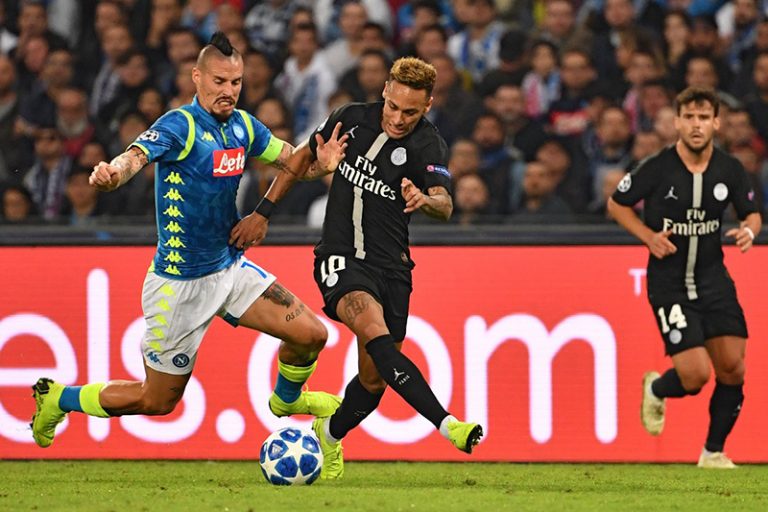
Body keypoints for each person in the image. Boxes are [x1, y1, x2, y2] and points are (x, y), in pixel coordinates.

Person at [30, 32, 347, 448]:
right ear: (197, 77)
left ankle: (286, 402)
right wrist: (112, 174)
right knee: (157, 400)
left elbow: (293, 162)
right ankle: (59, 398)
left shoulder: (244, 126)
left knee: (311, 335)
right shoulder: (180, 125)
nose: (229, 90)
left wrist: (322, 166)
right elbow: (135, 157)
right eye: (219, 81)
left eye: (236, 82)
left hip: (229, 266)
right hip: (179, 284)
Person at [231, 57, 484, 480]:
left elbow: (445, 203)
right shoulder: (349, 118)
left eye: (411, 112)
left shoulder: (428, 145)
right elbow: (300, 160)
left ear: (428, 105)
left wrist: (426, 200)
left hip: (393, 269)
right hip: (341, 258)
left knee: (373, 380)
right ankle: (447, 424)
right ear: (385, 90)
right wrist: (263, 212)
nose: (398, 119)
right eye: (394, 107)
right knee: (375, 335)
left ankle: (328, 435)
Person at [607, 86, 761, 469]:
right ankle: (657, 387)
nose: (696, 125)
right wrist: (648, 237)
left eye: (703, 117)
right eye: (689, 117)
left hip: (714, 279)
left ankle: (713, 453)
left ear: (716, 123)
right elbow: (617, 203)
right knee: (694, 377)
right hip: (670, 284)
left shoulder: (730, 169)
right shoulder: (657, 167)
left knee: (733, 367)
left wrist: (750, 230)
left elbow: (752, 213)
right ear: (676, 122)